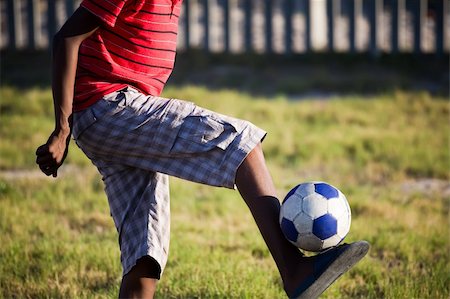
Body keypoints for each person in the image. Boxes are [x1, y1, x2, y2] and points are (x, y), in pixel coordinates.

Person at [35, 1, 369, 298]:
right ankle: (294, 272)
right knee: (241, 143)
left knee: (145, 251)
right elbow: (67, 37)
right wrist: (61, 129)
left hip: (110, 118)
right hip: (110, 106)